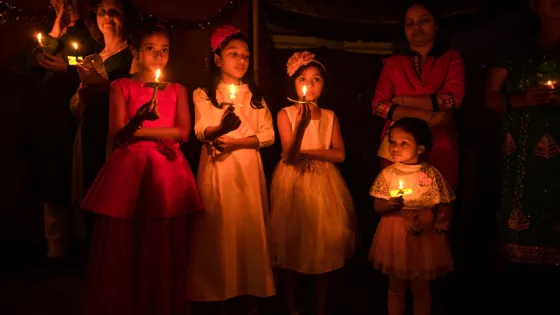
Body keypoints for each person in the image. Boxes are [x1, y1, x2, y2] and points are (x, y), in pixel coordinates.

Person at [80, 20, 203, 315]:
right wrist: (136, 121)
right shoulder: (120, 87)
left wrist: (139, 131)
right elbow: (118, 134)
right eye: (150, 49)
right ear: (137, 50)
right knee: (126, 240)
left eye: (164, 50)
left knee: (161, 241)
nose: (158, 56)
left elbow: (183, 133)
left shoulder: (177, 89)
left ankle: (157, 302)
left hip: (166, 171)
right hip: (131, 170)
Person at [187, 25, 276, 314]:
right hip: (218, 168)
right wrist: (221, 129)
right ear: (217, 58)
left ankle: (249, 287)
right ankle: (216, 289)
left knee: (247, 224)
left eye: (246, 56)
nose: (241, 61)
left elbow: (268, 135)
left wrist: (239, 144)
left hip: (247, 168)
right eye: (233, 54)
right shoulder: (204, 93)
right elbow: (201, 129)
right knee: (219, 225)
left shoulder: (255, 95)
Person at [485, 0, 560, 312]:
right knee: (520, 266)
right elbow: (490, 97)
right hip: (521, 162)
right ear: (533, 4)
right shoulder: (515, 48)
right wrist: (521, 98)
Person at [269, 51, 356, 315]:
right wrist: (302, 128)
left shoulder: (330, 116)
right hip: (293, 181)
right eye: (304, 78)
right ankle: (291, 304)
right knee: (291, 240)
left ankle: (321, 306)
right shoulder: (285, 113)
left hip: (324, 182)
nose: (311, 84)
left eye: (317, 79)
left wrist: (310, 153)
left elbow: (339, 154)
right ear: (294, 84)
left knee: (323, 240)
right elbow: (289, 155)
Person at [28, 0, 97, 260]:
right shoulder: (52, 31)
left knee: (75, 183)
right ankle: (54, 251)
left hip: (75, 120)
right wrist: (55, 28)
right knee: (51, 185)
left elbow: (94, 72)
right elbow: (32, 66)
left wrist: (66, 69)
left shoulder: (90, 33)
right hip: (48, 121)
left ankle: (79, 247)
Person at [371, 3, 465, 190]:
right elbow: (379, 106)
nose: (416, 27)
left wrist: (401, 101)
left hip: (440, 139)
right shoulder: (392, 64)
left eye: (424, 21)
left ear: (436, 25)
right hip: (398, 142)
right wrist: (429, 115)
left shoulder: (451, 59)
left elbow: (453, 99)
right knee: (398, 202)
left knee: (439, 201)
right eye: (410, 23)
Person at [369, 118, 455, 315]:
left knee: (421, 288)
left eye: (404, 143)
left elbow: (445, 201)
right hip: (394, 234)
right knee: (396, 286)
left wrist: (443, 218)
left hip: (424, 235)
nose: (395, 147)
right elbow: (377, 207)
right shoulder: (387, 175)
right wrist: (389, 205)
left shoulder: (431, 174)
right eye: (392, 142)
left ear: (420, 148)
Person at [73, 0, 135, 242]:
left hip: (113, 133)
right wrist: (81, 96)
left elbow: (134, 96)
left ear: (125, 17)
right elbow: (76, 104)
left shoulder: (131, 55)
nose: (107, 17)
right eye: (102, 12)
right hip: (90, 131)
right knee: (90, 190)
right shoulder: (93, 57)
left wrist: (103, 87)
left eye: (114, 12)